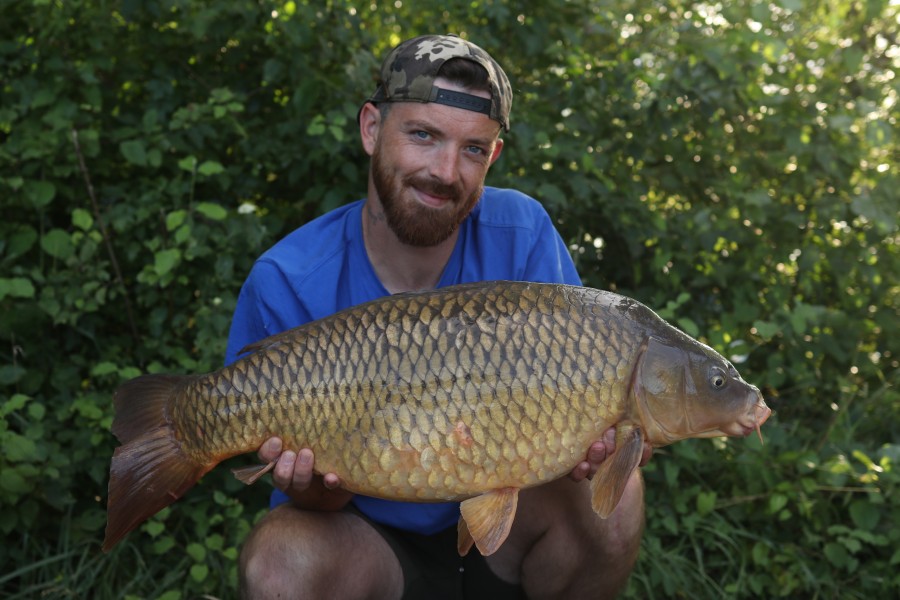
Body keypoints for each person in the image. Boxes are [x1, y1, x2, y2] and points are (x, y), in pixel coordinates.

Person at [226, 34, 648, 600]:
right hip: (363, 534)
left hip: (510, 525)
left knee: (617, 496)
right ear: (372, 129)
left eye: (473, 148)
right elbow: (302, 491)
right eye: (423, 135)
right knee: (278, 566)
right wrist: (316, 487)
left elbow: (581, 390)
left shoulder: (522, 235)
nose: (445, 171)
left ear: (493, 156)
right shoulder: (288, 280)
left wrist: (598, 438)